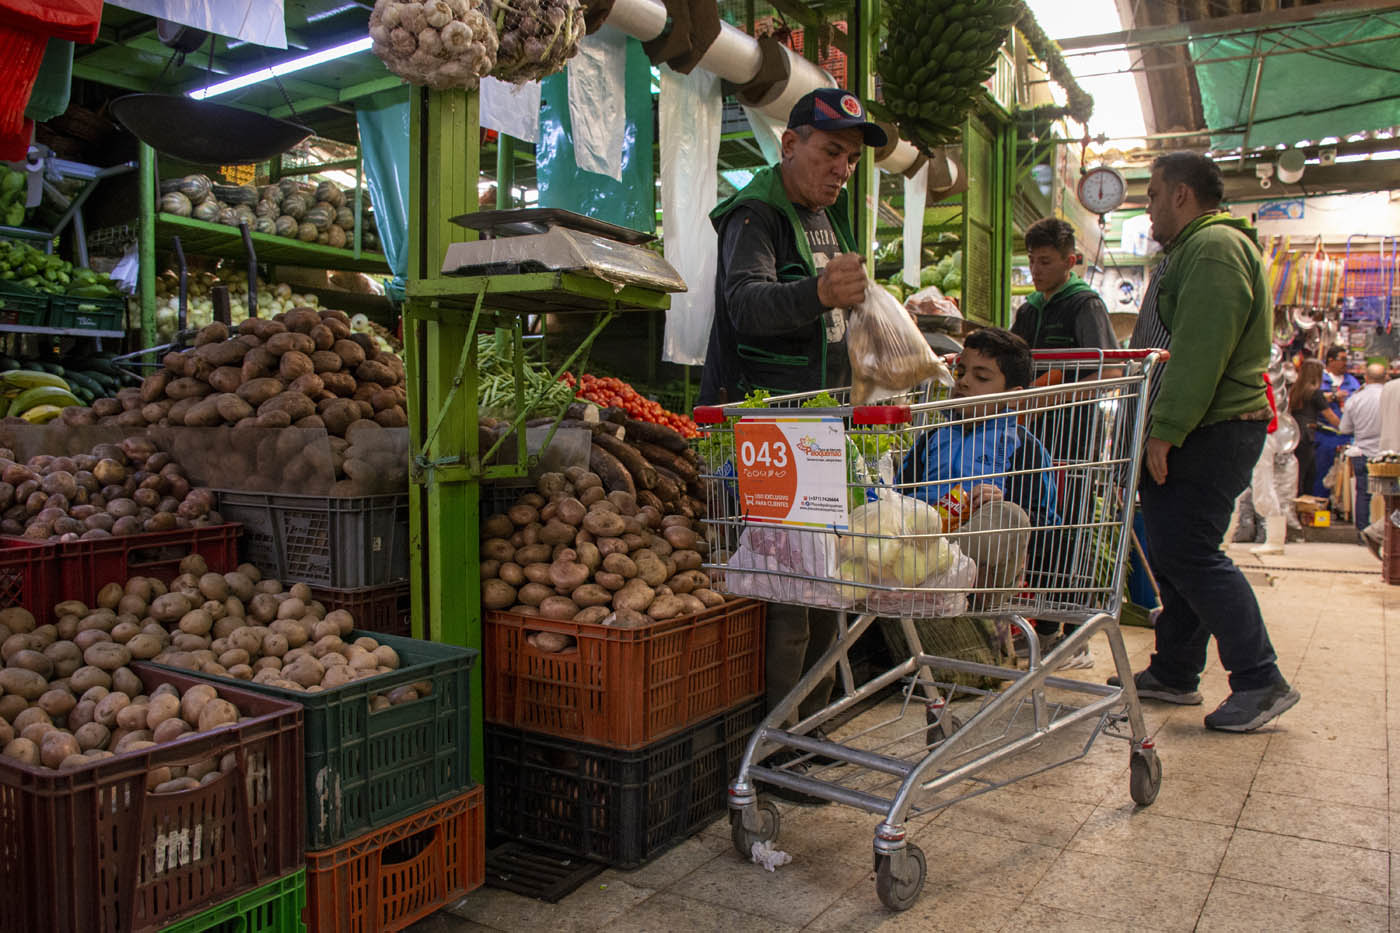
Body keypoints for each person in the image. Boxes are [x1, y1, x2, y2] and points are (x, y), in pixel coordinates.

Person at [697, 88, 887, 779]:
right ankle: (784, 748)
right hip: (766, 429)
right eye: (831, 151)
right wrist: (818, 295)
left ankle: (816, 725)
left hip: (815, 427)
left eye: (852, 159)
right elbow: (745, 305)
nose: (842, 169)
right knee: (792, 593)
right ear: (789, 144)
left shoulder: (820, 218)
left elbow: (829, 316)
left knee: (822, 585)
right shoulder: (757, 214)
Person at [1117, 151, 1299, 733]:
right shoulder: (1194, 250)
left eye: (1151, 197)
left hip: (1213, 425)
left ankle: (1259, 678)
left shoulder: (1215, 248)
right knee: (1175, 553)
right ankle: (1175, 669)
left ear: (1180, 194)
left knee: (1191, 552)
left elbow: (1200, 350)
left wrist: (1165, 431)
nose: (1147, 210)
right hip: (1202, 423)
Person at [884, 328, 1061, 678]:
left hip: (983, 576)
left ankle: (928, 561)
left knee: (1008, 515)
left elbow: (1044, 523)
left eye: (981, 377)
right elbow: (900, 495)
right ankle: (924, 562)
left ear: (1014, 395)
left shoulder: (1021, 446)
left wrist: (1002, 501)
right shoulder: (932, 438)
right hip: (922, 548)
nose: (963, 382)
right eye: (961, 372)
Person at [1010, 217, 1117, 669]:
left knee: (1065, 527)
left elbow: (1107, 372)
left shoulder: (1084, 305)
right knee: (1028, 523)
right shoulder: (1030, 309)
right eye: (1032, 260)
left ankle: (1065, 631)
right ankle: (1037, 623)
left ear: (1070, 260)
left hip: (1071, 438)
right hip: (1029, 439)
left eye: (1046, 261)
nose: (1036, 269)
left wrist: (1049, 394)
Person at [1340, 363, 1386, 533]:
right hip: (1388, 456)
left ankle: (1363, 534)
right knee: (1393, 498)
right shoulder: (1391, 397)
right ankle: (1391, 532)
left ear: (1366, 378)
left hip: (1362, 452)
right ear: (1386, 377)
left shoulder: (1355, 399)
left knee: (1363, 494)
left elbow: (1344, 428)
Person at [1313, 345, 1359, 498]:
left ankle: (1340, 506)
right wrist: (1332, 396)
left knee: (1344, 475)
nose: (1346, 363)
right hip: (1325, 434)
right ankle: (1320, 507)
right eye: (1342, 359)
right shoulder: (1319, 379)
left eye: (1347, 359)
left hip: (1346, 436)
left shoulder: (1351, 382)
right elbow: (1310, 398)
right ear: (1331, 360)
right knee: (1322, 472)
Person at [1289, 358, 1329, 495]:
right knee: (1308, 475)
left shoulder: (1294, 390)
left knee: (1298, 474)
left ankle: (1297, 505)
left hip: (1294, 434)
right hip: (1307, 436)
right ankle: (1302, 506)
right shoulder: (1315, 393)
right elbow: (1331, 417)